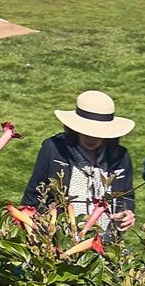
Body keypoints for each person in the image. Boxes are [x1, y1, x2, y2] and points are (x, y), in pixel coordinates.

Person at [23, 90, 138, 222]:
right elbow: (34, 193)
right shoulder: (54, 148)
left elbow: (127, 196)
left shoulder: (121, 156)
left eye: (98, 132)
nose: (91, 137)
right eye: (86, 130)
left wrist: (127, 214)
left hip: (106, 233)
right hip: (59, 231)